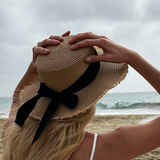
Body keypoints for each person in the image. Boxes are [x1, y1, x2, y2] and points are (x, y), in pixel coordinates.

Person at [1, 31, 160, 160]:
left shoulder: (13, 130)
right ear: (95, 91)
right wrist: (132, 57)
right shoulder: (102, 148)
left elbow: (17, 97)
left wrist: (39, 65)